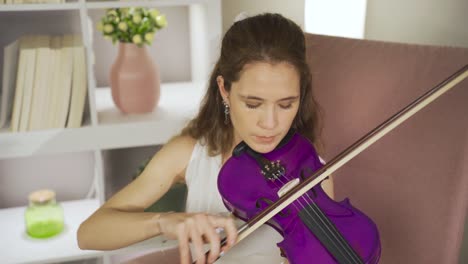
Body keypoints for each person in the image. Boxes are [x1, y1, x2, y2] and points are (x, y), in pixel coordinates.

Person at [77, 13, 334, 264]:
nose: (269, 124)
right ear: (224, 90)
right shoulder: (190, 153)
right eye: (253, 104)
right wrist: (164, 222)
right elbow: (89, 234)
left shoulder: (312, 172)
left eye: (286, 105)